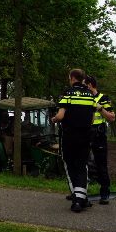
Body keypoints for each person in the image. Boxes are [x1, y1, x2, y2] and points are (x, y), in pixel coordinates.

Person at [51, 68, 96, 212]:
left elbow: (60, 116)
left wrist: (54, 119)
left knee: (70, 166)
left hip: (69, 137)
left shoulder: (67, 93)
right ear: (83, 79)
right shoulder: (90, 95)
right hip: (85, 136)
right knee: (82, 166)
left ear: (72, 78)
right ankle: (81, 199)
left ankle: (77, 200)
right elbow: (93, 118)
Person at [85, 75, 116, 204]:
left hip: (98, 134)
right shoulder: (84, 98)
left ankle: (105, 193)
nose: (83, 87)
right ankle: (80, 193)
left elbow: (111, 117)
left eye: (84, 85)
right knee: (82, 164)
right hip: (85, 134)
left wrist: (100, 108)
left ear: (90, 85)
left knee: (100, 164)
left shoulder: (104, 98)